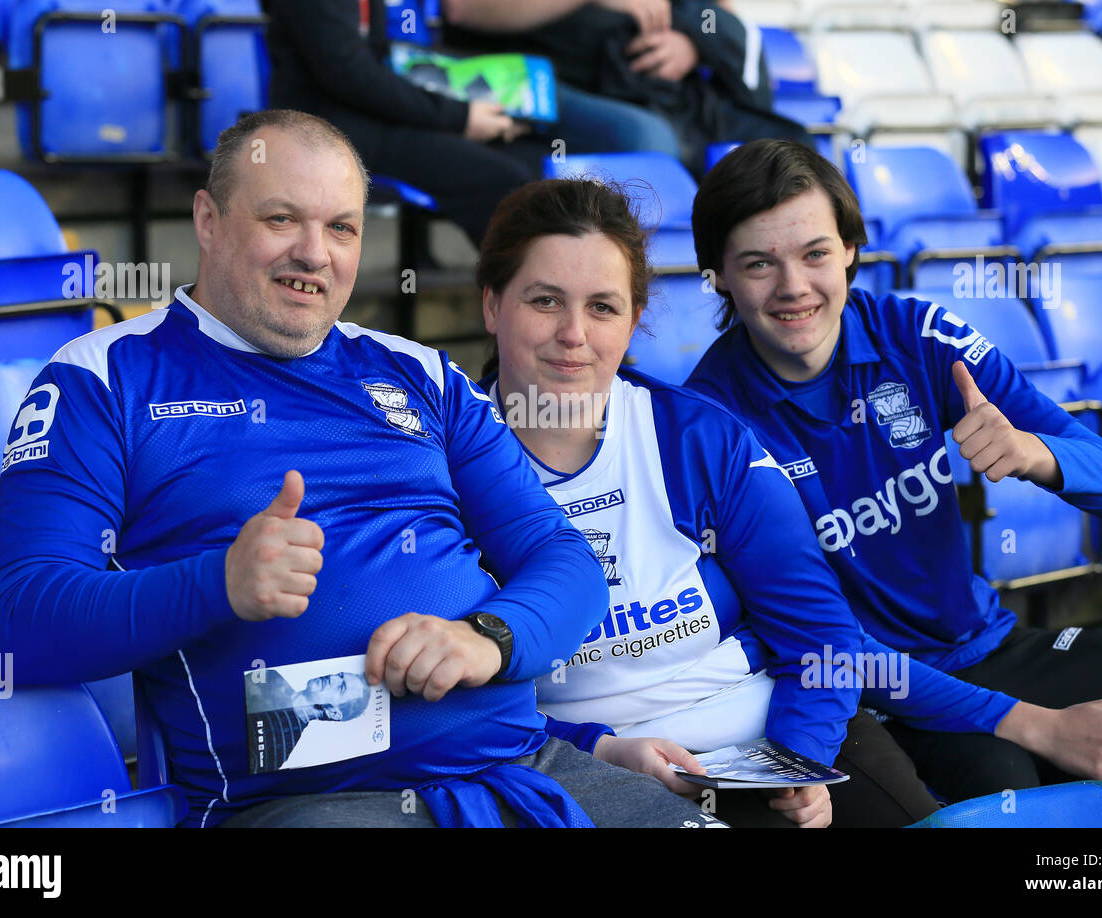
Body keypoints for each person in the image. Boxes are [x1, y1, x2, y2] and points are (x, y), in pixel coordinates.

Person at [0, 109, 724, 829]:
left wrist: (487, 638)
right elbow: (22, 625)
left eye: (341, 227)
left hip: (525, 771)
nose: (315, 253)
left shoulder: (418, 372)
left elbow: (564, 560)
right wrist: (217, 584)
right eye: (282, 220)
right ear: (208, 220)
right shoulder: (104, 376)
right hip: (309, 803)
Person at [685, 139, 1102, 802]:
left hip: (994, 647)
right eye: (759, 264)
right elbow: (828, 643)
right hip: (888, 695)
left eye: (816, 253)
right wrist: (1040, 728)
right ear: (719, 276)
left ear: (850, 249)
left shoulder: (918, 334)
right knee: (1006, 797)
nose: (794, 287)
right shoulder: (710, 423)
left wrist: (1037, 455)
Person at [475, 177, 943, 826]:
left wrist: (797, 759)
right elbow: (454, 701)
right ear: (492, 306)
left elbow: (820, 635)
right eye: (546, 301)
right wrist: (598, 749)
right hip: (581, 766)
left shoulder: (699, 436)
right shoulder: (441, 467)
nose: (574, 334)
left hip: (768, 730)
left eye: (604, 307)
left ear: (635, 320)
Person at [264, 0, 550, 245]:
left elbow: (374, 68)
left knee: (530, 161)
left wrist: (466, 113)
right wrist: (459, 117)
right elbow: (351, 77)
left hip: (370, 117)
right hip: (327, 130)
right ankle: (513, 299)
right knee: (502, 180)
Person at [441, 0, 812, 178]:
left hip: (661, 95)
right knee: (650, 142)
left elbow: (718, 15)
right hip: (530, 80)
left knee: (792, 153)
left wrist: (692, 41)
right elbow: (464, 8)